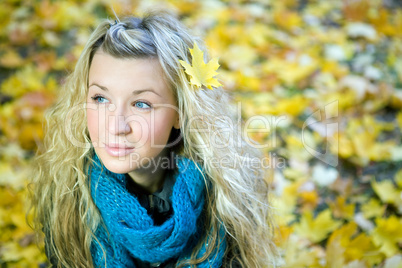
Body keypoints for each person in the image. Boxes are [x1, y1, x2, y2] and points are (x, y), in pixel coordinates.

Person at [28, 10, 279, 268]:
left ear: (180, 113)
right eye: (100, 99)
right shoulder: (67, 194)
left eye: (141, 104)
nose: (116, 126)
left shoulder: (226, 201)